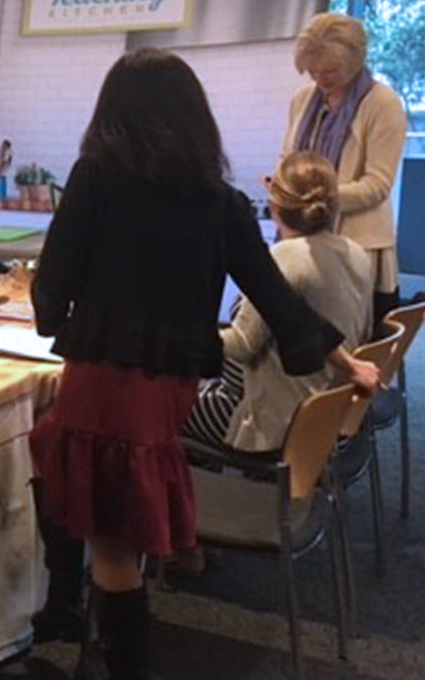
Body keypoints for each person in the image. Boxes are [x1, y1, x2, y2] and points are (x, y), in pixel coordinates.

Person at [30, 49, 378, 679]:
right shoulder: (220, 201)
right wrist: (344, 361)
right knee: (122, 542)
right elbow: (275, 295)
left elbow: (53, 283)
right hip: (172, 387)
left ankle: (92, 640)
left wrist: (57, 321)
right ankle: (66, 615)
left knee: (105, 542)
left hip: (106, 383)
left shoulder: (96, 176)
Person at [185, 151, 373, 454]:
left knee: (161, 406)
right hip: (323, 413)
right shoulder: (357, 254)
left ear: (274, 205)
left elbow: (243, 346)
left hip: (271, 420)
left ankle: (204, 496)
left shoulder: (285, 258)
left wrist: (182, 335)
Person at [280, 13, 407, 327]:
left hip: (357, 247)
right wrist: (283, 183)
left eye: (330, 71)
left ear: (354, 62)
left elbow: (377, 186)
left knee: (343, 340)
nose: (321, 80)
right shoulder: (303, 100)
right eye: (313, 71)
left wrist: (313, 196)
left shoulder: (382, 104)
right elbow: (288, 158)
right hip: (303, 241)